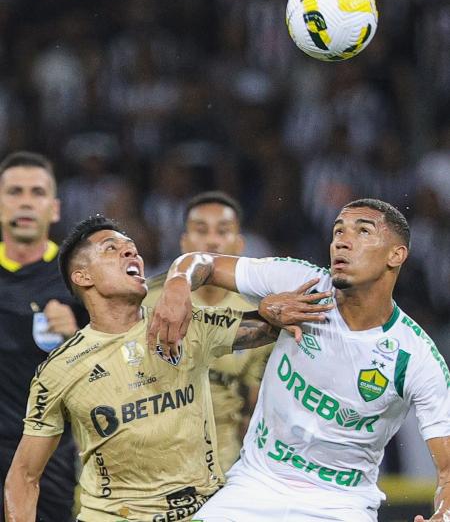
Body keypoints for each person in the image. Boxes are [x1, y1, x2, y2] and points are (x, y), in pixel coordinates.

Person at [5, 215, 332, 522]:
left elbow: (270, 323)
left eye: (131, 247)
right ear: (83, 276)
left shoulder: (190, 326)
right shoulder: (59, 369)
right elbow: (23, 475)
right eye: (112, 249)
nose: (130, 251)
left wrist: (280, 309)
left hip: (200, 513)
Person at [150, 198, 450, 522]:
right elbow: (202, 261)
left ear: (396, 254)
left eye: (362, 231)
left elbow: (447, 470)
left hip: (340, 505)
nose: (342, 242)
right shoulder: (300, 283)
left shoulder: (415, 357)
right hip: (256, 485)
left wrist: (444, 514)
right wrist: (177, 285)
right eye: (338, 232)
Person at [145, 191, 273, 471]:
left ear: (239, 243)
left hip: (223, 459)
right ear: (184, 242)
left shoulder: (258, 315)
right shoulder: (149, 301)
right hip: (153, 453)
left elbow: (254, 407)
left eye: (223, 231)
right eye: (201, 230)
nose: (213, 240)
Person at [0, 151, 88, 522]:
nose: (24, 201)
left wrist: (79, 338)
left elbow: (121, 362)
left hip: (51, 452)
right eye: (14, 191)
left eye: (36, 192)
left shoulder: (80, 277)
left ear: (53, 209)